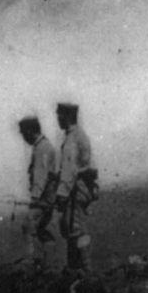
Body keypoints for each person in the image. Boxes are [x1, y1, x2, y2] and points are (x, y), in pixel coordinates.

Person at [54, 102, 98, 272]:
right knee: (73, 228)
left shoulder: (73, 138)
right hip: (79, 189)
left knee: (76, 229)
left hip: (75, 190)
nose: (57, 119)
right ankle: (76, 269)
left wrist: (62, 194)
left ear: (66, 116)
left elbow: (69, 169)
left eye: (59, 115)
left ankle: (85, 269)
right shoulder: (78, 135)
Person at [18, 116, 58, 269]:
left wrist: (35, 197)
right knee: (43, 230)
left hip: (43, 198)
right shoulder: (42, 146)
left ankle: (29, 259)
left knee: (28, 224)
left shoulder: (42, 148)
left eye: (23, 133)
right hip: (48, 197)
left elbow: (41, 175)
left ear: (29, 131)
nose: (23, 137)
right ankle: (49, 264)